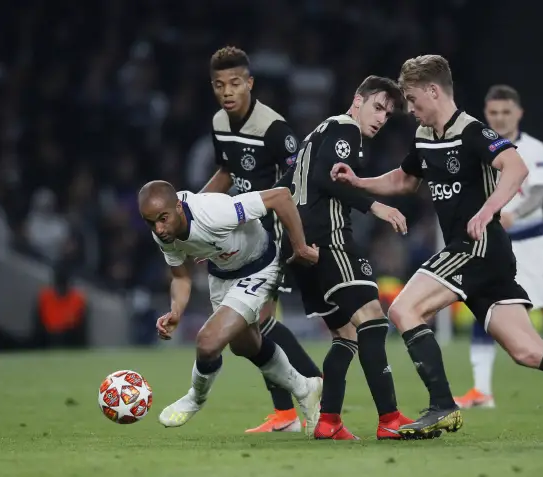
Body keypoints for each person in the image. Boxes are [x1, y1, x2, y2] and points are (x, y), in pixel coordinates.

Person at [331, 55, 543, 438]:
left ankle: (442, 406)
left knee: (403, 309)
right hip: (480, 255)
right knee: (528, 352)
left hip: (478, 247)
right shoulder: (424, 137)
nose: (410, 109)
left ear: (434, 91)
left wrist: (487, 210)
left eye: (414, 99)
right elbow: (404, 180)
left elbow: (516, 167)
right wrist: (359, 182)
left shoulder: (471, 131)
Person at [276, 75, 425, 440]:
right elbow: (330, 180)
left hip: (300, 248)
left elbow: (287, 185)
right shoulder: (345, 129)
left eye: (388, 115)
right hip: (329, 241)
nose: (380, 118)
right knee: (373, 321)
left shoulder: (317, 134)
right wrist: (377, 206)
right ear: (357, 100)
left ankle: (329, 422)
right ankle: (390, 418)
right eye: (377, 107)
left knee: (345, 336)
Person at [201, 45, 322, 433]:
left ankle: (317, 389)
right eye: (219, 85)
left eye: (235, 83)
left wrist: (297, 240)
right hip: (236, 236)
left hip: (270, 236)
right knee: (255, 326)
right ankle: (287, 412)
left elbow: (293, 187)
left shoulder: (274, 129)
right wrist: (197, 211)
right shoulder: (220, 121)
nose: (227, 91)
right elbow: (226, 171)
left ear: (250, 83)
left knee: (259, 323)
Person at [138, 180, 322, 434]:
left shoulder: (214, 211)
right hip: (222, 274)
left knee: (207, 342)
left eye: (163, 218)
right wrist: (176, 311)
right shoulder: (163, 232)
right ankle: (306, 389)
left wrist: (300, 246)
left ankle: (195, 397)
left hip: (259, 268)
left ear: (179, 207)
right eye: (151, 222)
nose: (158, 228)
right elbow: (181, 277)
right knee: (244, 346)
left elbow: (280, 196)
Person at [455, 85, 543, 410]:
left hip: (531, 243)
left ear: (519, 113)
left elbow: (539, 194)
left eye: (506, 112)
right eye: (494, 113)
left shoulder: (534, 148)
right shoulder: (479, 147)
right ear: (486, 114)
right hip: (495, 243)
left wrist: (514, 213)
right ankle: (482, 391)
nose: (500, 118)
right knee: (483, 309)